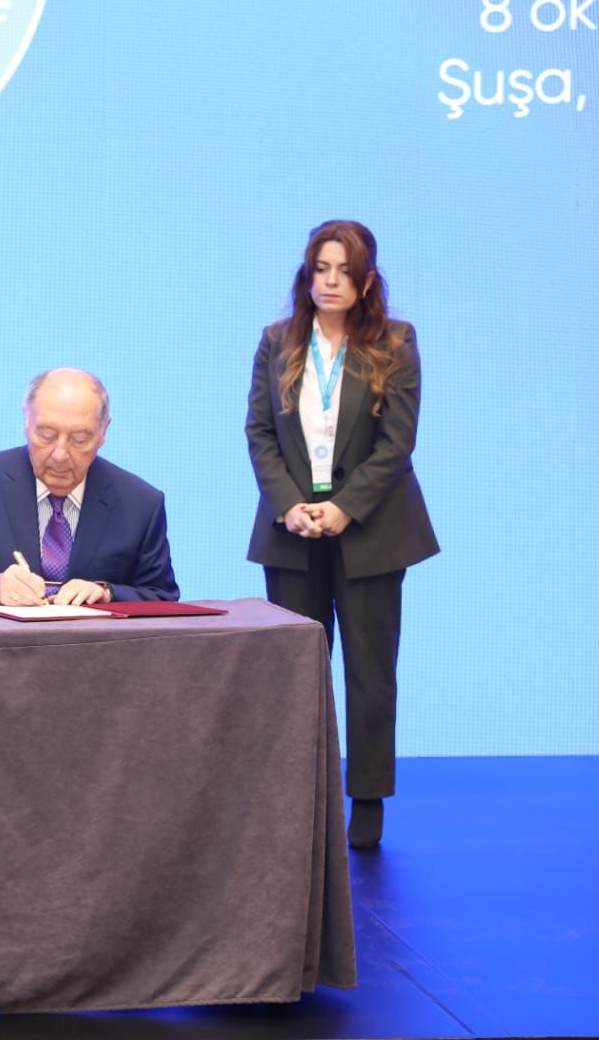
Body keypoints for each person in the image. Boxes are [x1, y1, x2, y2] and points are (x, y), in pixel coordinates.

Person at [246, 219, 438, 849]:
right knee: (296, 671)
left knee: (370, 670)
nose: (330, 282)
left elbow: (397, 443)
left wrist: (345, 508)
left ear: (366, 281)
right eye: (320, 269)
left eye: (343, 272)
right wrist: (288, 505)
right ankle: (297, 796)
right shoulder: (278, 342)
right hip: (293, 530)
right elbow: (260, 434)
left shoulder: (395, 342)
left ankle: (369, 802)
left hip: (372, 529)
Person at [0, 368, 179, 607]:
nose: (60, 454)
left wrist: (107, 593)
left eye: (79, 438)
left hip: (96, 656)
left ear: (103, 432)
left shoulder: (141, 504)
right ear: (26, 421)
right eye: (46, 435)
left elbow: (162, 596)